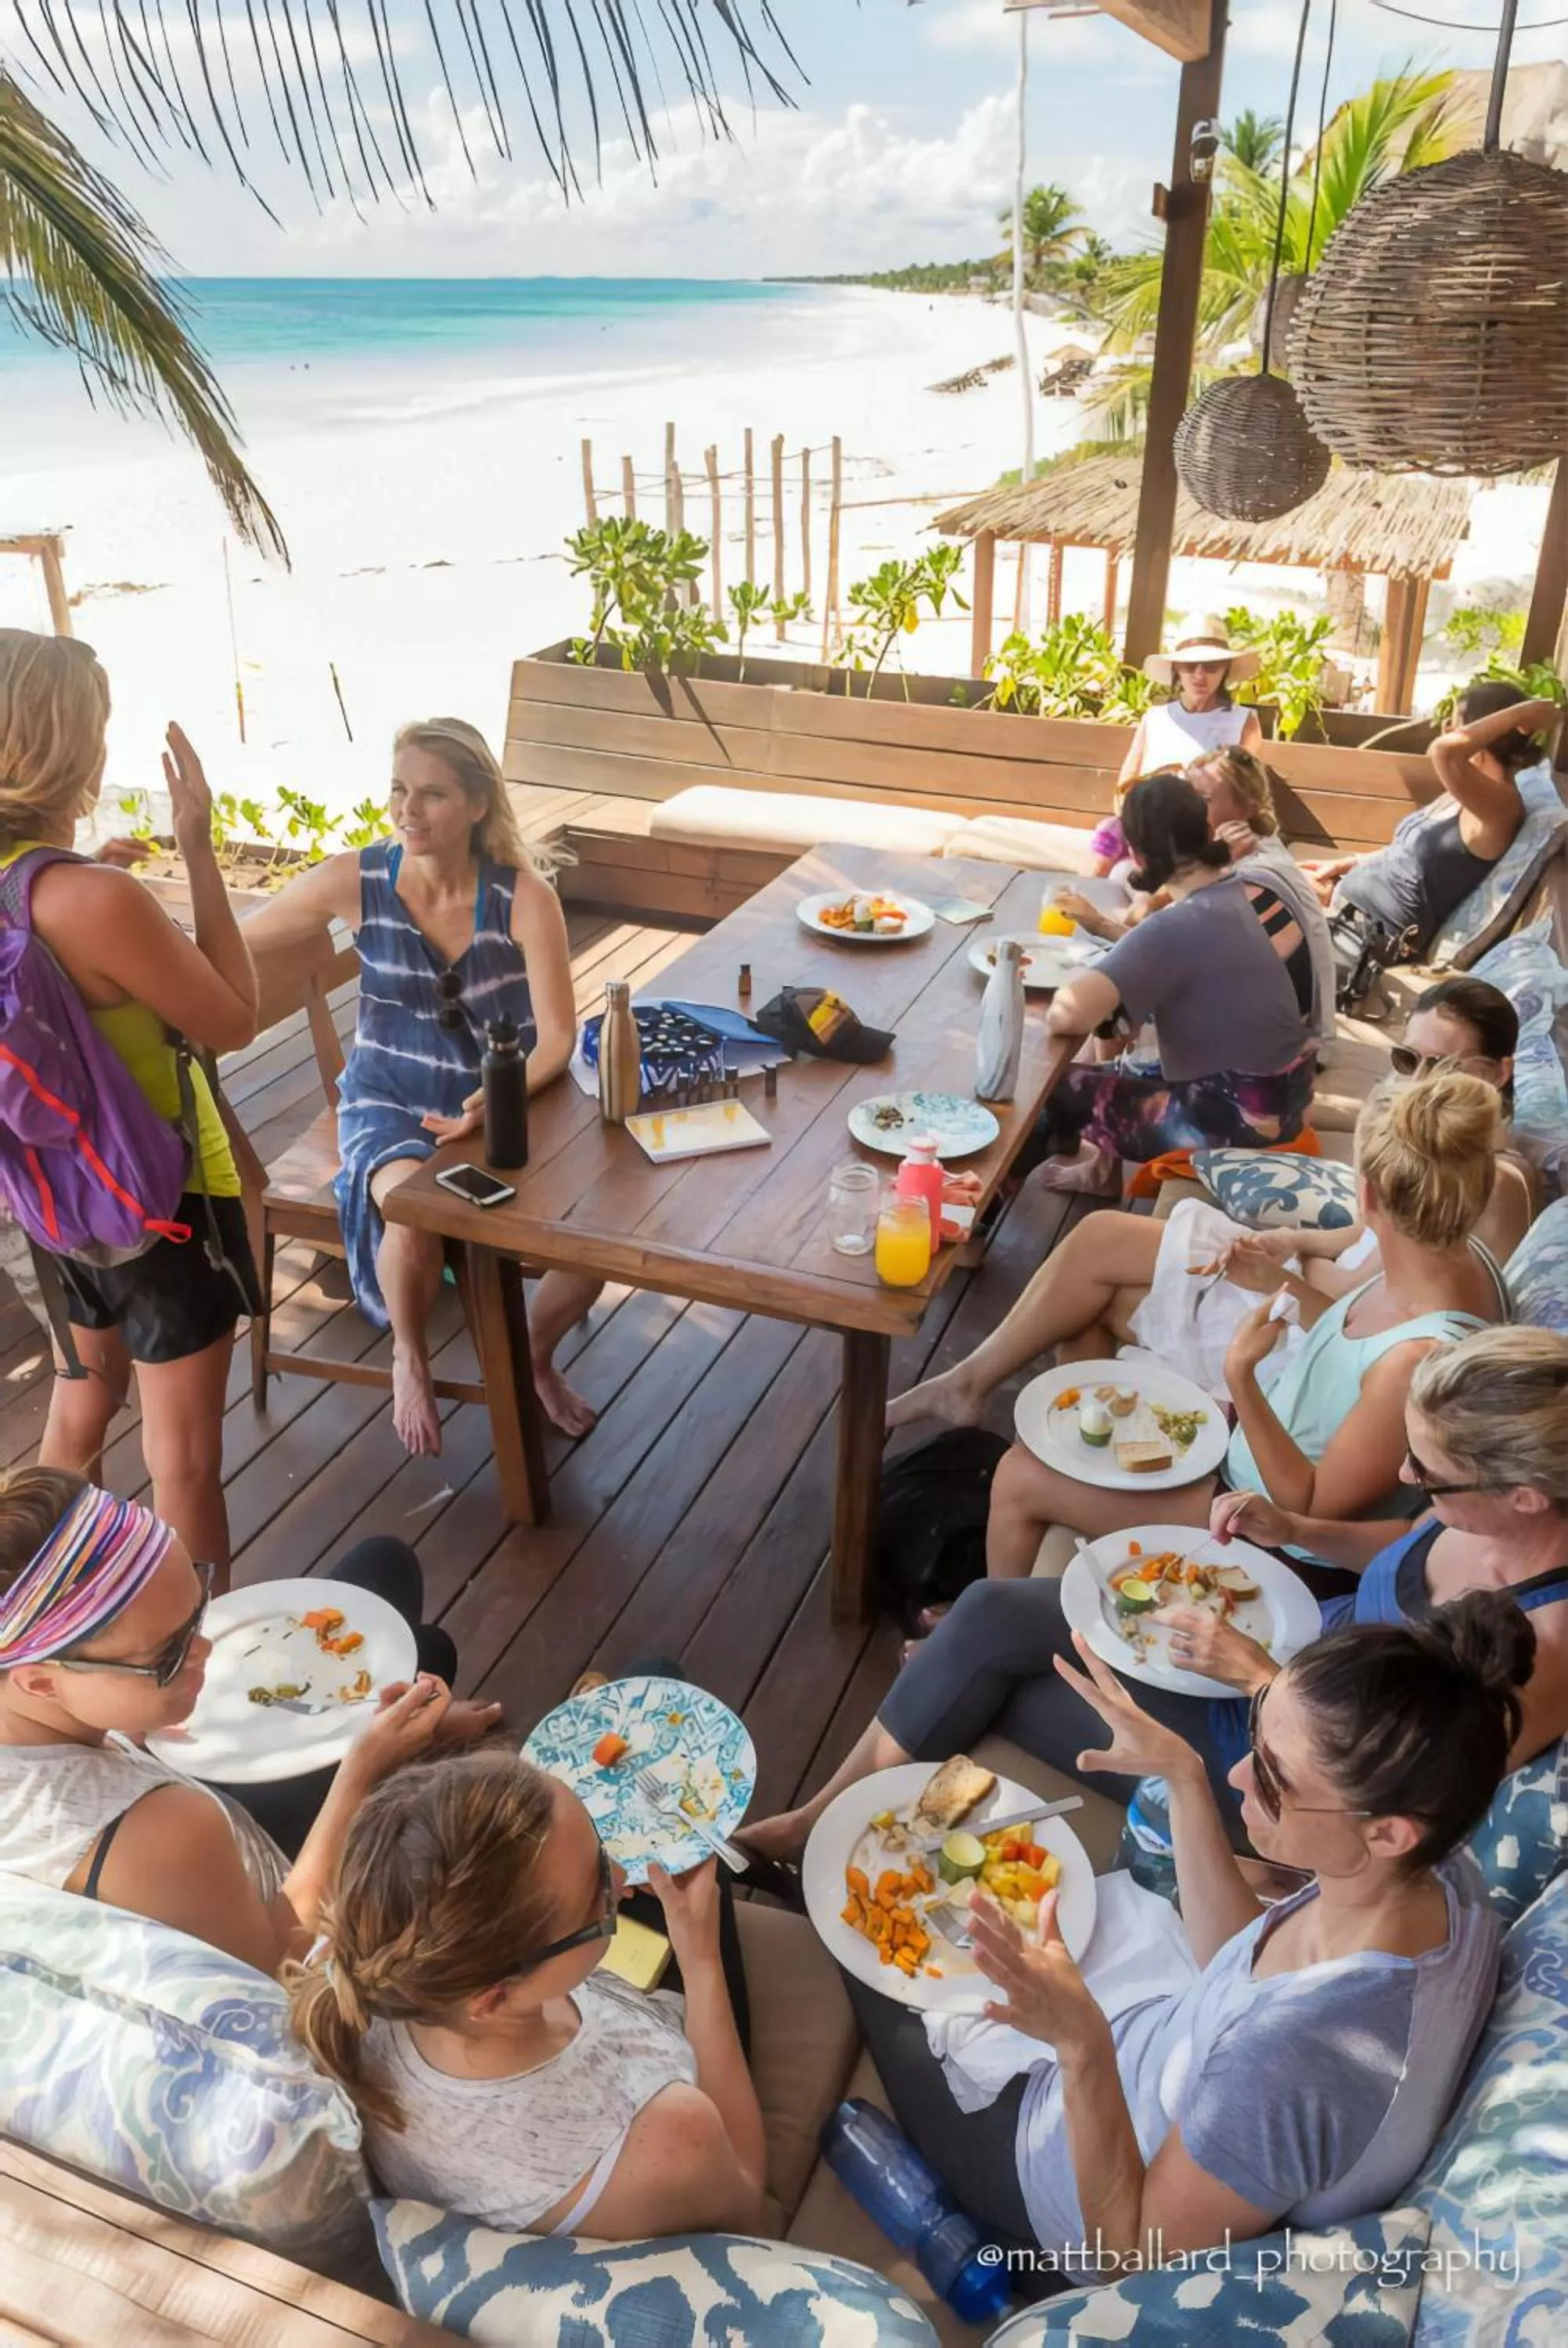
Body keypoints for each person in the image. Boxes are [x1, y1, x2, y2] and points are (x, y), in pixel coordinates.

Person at [745, 1075, 1505, 1860]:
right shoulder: (1442, 1255)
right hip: (1248, 1472)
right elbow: (1341, 1327)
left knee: (1021, 1477)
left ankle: (966, 1637)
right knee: (1088, 1337)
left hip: (1275, 1539)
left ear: (1371, 1193)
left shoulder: (1418, 1358)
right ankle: (882, 1742)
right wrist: (1274, 1283)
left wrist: (1242, 1382)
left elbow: (1311, 1504)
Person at [839, 1597, 1523, 2265]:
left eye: (1275, 1780)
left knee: (857, 1921)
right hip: (1146, 2055)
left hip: (1059, 2179)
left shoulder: (1292, 2066)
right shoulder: (1447, 1882)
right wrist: (1183, 1776)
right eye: (1256, 1738)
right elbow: (1247, 1963)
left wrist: (1081, 2044)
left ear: (1390, 1833)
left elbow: (1129, 2257)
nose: (1238, 1776)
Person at [243, 719, 602, 1453]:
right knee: (410, 1212)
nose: (408, 809)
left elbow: (559, 1040)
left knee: (592, 1246)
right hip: (389, 1098)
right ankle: (410, 1354)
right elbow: (242, 935)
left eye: (432, 794)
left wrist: (493, 1098)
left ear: (477, 804)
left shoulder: (525, 898)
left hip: (505, 1099)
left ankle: (530, 1356)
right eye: (400, 790)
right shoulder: (357, 879)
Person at [0, 1467, 498, 1975]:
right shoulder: (159, 1831)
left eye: (197, 1613)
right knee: (430, 1649)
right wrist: (363, 1770)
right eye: (169, 1655)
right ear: (40, 1682)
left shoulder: (27, 1705)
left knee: (385, 1566)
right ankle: (413, 1734)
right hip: (288, 1928)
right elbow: (277, 1966)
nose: (207, 1650)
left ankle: (413, 1720)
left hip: (211, 1840)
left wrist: (123, 1723)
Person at [0, 629, 261, 1576]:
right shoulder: (95, 897)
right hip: (163, 1203)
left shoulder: (34, 891)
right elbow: (234, 1017)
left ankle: (35, 1620)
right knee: (182, 1459)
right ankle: (188, 1671)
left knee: (81, 1404)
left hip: (47, 1199)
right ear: (69, 748)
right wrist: (197, 851)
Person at [287, 1745, 768, 2244]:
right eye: (598, 1893)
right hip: (684, 2075)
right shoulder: (670, 2136)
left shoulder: (366, 1957)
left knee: (655, 1674)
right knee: (708, 1861)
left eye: (602, 1846)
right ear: (493, 1998)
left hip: (605, 2015)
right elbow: (749, 2202)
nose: (623, 1876)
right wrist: (701, 1959)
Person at [1172, 1326, 1568, 1791]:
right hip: (1290, 1648)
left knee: (1071, 1658)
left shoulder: (1546, 1647)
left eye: (1425, 1470)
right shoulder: (1479, 1512)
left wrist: (1260, 1681)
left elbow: (1406, 1784)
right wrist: (1295, 1530)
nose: (1404, 1473)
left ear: (1525, 1498)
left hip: (1287, 1758)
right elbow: (1405, 1543)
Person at [1021, 772, 1313, 1193]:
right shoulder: (1256, 892)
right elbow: (1183, 960)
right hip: (1284, 1100)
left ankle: (975, 1231)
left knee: (1050, 1089)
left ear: (1137, 857)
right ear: (1208, 829)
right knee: (1116, 1055)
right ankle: (1099, 1172)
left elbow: (1066, 1015)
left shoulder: (1177, 925)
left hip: (1232, 1125)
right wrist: (1105, 928)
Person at [1307, 685, 1560, 957]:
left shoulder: (1499, 807)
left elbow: (1443, 752)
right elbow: (1415, 855)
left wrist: (1519, 715)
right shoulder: (1471, 791)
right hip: (1348, 906)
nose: (1448, 728)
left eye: (1457, 723)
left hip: (1366, 934)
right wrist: (1351, 862)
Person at [1093, 614, 1264, 872]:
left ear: (1225, 670)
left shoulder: (1244, 721)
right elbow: (1127, 779)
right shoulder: (1155, 717)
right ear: (1176, 670)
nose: (1199, 675)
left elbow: (1241, 787)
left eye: (1211, 666)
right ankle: (1077, 898)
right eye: (1189, 666)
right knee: (1110, 834)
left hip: (1204, 828)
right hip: (1148, 820)